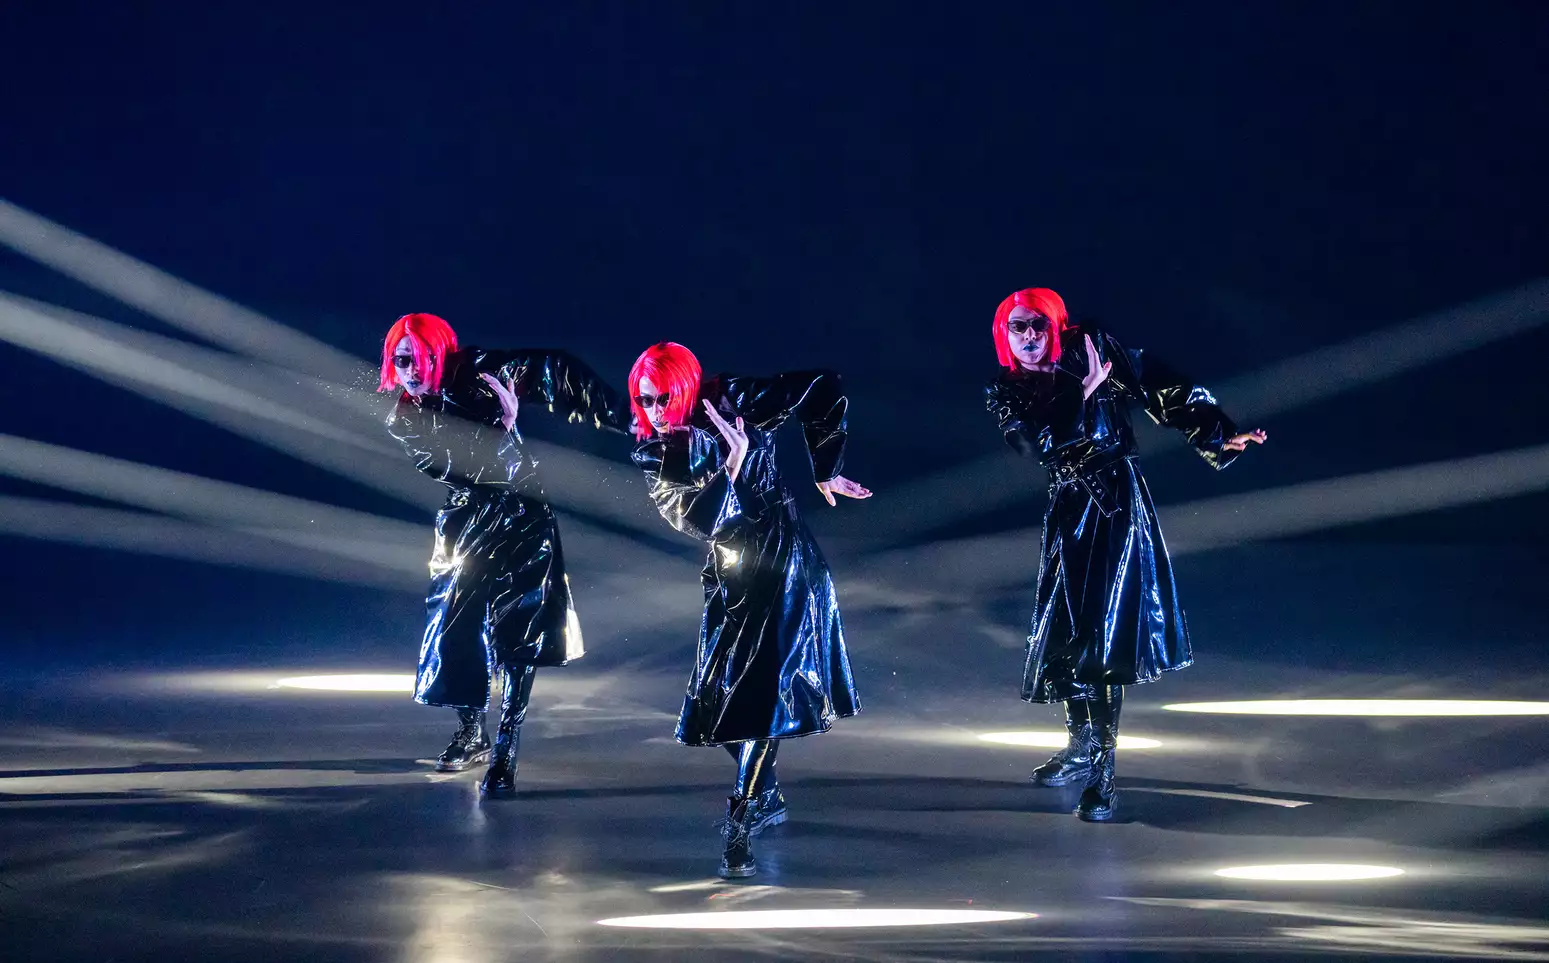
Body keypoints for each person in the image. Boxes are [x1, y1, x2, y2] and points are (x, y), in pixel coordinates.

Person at [983, 288, 1266, 822]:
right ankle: (1081, 746)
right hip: (1068, 509)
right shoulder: (1006, 389)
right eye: (1017, 328)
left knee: (1103, 633)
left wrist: (1216, 431)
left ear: (1055, 326)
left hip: (1114, 506)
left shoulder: (1092, 349)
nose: (1028, 338)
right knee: (1067, 629)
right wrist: (1079, 395)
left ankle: (1104, 773)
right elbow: (1035, 447)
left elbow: (1158, 382)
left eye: (1037, 327)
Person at [627, 342, 869, 878]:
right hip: (732, 576)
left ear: (686, 386)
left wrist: (824, 467)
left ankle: (739, 820)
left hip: (785, 569)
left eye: (663, 397)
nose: (654, 411)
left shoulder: (735, 400)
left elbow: (822, 384)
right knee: (721, 704)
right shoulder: (655, 449)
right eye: (644, 401)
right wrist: (731, 474)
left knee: (763, 697)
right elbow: (696, 520)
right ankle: (765, 793)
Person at [379, 312, 628, 795]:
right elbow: (457, 467)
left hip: (524, 516)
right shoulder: (405, 418)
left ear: (441, 355)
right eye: (401, 359)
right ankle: (472, 731)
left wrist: (622, 415)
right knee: (455, 628)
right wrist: (503, 425)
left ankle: (506, 747)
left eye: (422, 357)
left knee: (521, 629)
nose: (411, 368)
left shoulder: (480, 371)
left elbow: (557, 370)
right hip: (467, 521)